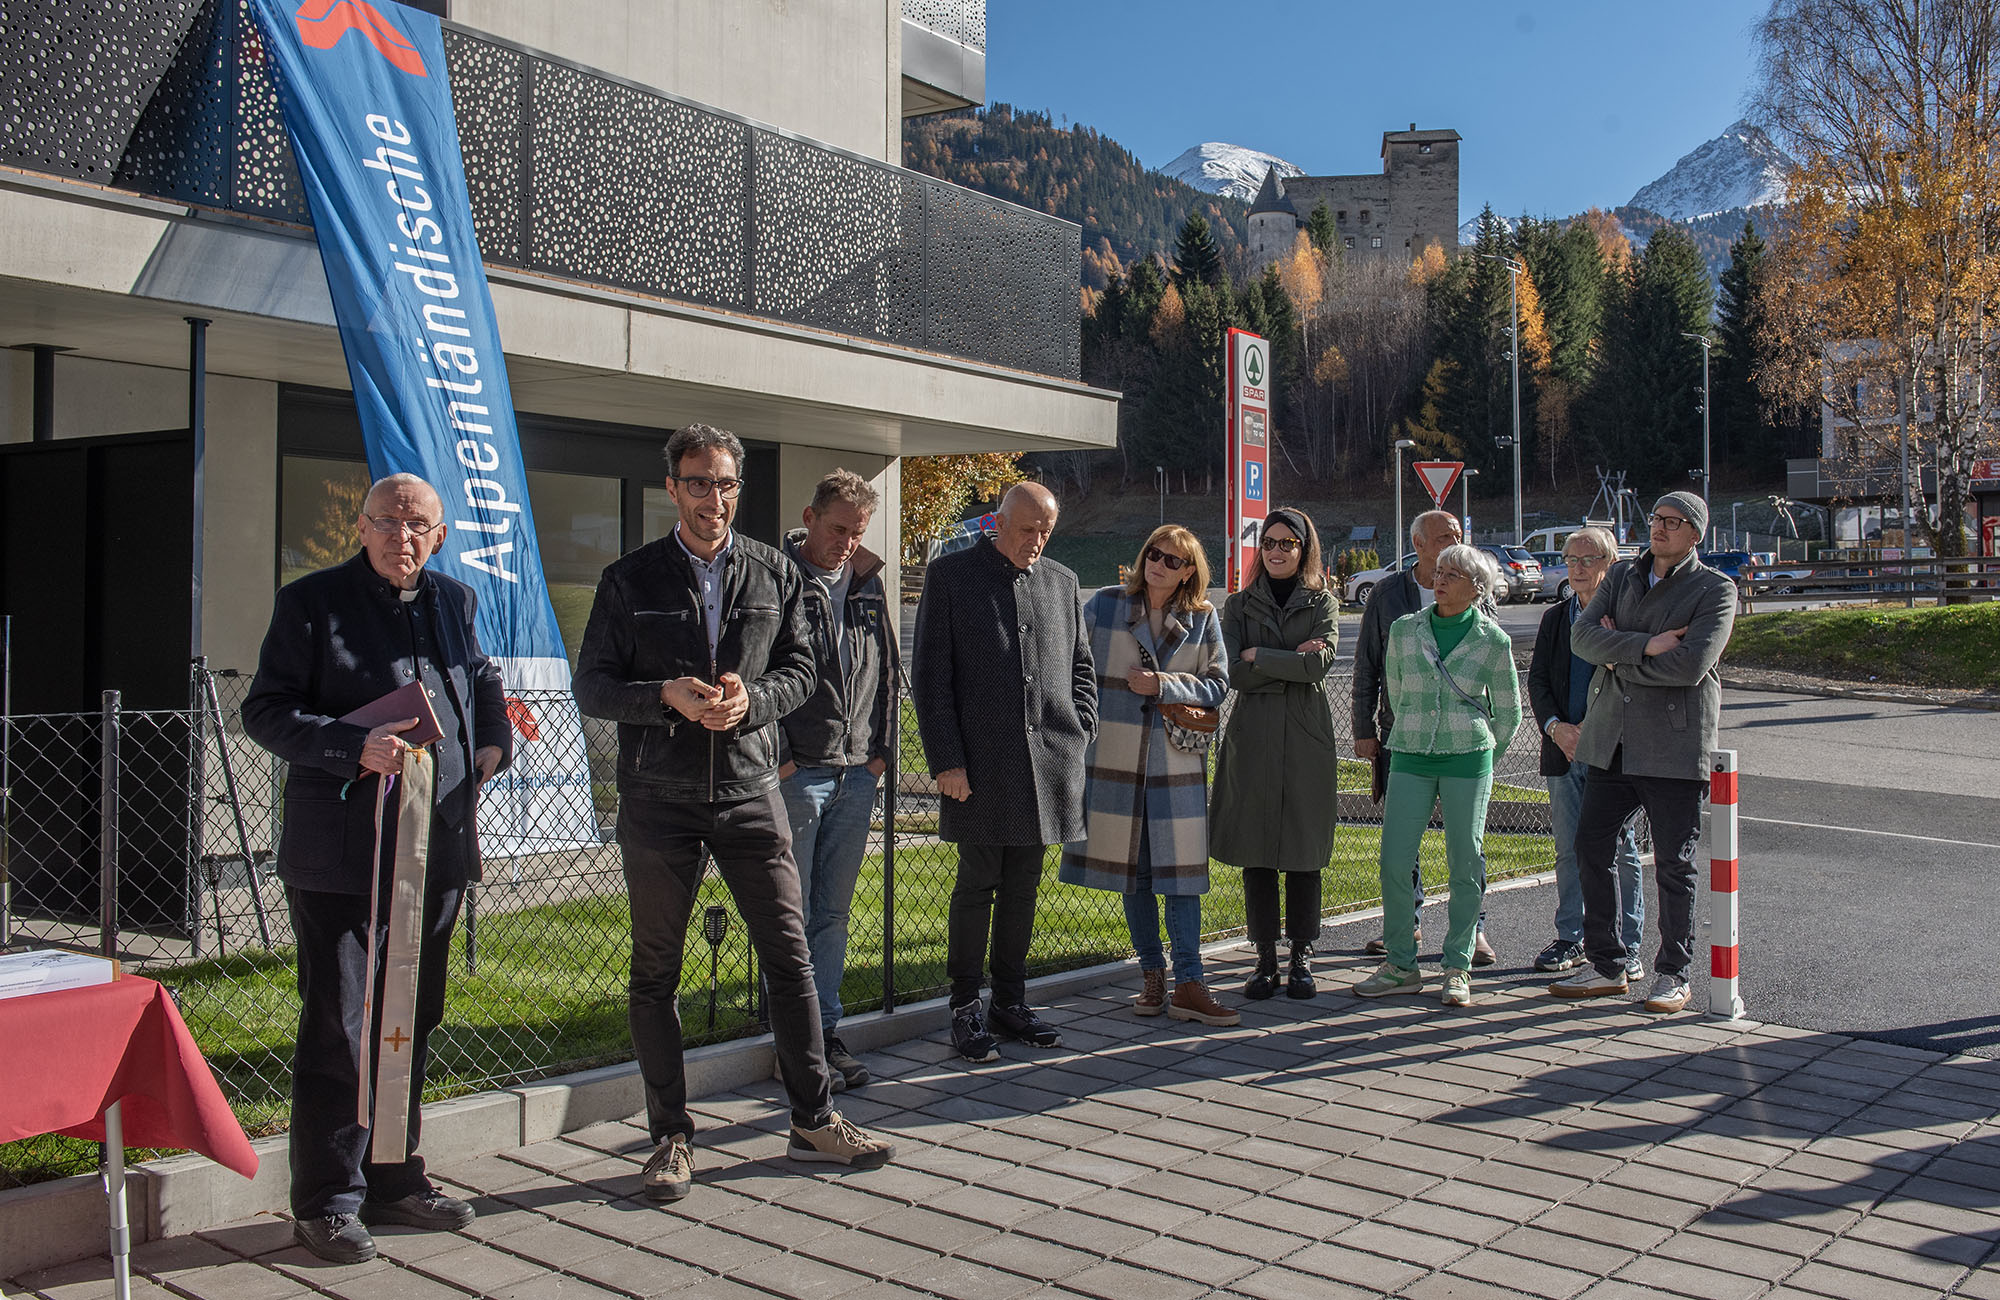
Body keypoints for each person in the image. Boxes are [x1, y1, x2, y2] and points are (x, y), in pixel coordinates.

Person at [574, 423, 893, 1204]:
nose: (711, 498)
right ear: (672, 488)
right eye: (697, 482)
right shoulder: (629, 579)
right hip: (659, 798)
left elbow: (802, 670)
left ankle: (813, 1120)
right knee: (656, 972)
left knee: (790, 956)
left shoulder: (775, 572)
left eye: (723, 483)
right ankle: (670, 1138)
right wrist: (664, 698)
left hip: (750, 790)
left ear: (737, 489)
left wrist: (755, 702)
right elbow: (593, 685)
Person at [242, 472, 510, 1264]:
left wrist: (494, 741)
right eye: (387, 522)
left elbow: (481, 678)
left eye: (418, 524)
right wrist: (349, 746)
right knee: (342, 1025)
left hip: (435, 845)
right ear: (359, 528)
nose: (403, 536)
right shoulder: (311, 603)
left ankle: (393, 1179)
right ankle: (327, 1200)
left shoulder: (455, 600)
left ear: (440, 536)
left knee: (411, 1017)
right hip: (342, 854)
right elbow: (266, 710)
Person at [911, 481, 1096, 1063]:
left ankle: (1010, 1002)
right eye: (1026, 530)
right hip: (979, 767)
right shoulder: (951, 576)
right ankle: (965, 1007)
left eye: (1046, 531)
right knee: (977, 887)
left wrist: (1081, 728)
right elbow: (931, 678)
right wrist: (947, 760)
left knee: (1023, 888)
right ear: (997, 523)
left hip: (1048, 766)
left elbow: (1082, 667)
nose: (1036, 541)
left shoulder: (1063, 582)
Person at [1550, 492, 1738, 1014]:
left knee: (1673, 864)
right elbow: (1582, 638)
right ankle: (1607, 964)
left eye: (1673, 522)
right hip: (1612, 739)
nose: (1659, 527)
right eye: (1656, 518)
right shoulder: (1621, 577)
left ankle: (1673, 973)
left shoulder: (1715, 589)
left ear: (1695, 534)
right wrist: (1646, 645)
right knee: (1591, 846)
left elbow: (1690, 666)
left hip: (1673, 744)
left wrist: (1618, 657)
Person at [1060, 525, 1235, 1026]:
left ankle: (1190, 983)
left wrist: (1164, 684)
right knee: (1131, 874)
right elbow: (1070, 664)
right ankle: (1152, 976)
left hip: (1175, 765)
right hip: (1114, 760)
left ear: (1189, 571)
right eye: (1154, 554)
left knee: (1181, 878)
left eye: (1172, 560)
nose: (1158, 564)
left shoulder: (1203, 617)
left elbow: (1219, 685)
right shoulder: (1106, 604)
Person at [1352, 545, 1522, 1005]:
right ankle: (1400, 965)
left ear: (1476, 588)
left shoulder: (1492, 640)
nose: (1440, 580)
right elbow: (1396, 691)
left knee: (1465, 863)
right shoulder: (1405, 630)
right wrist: (1415, 726)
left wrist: (1485, 754)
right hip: (1410, 753)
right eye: (1439, 572)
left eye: (1453, 575)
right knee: (1394, 861)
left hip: (1468, 758)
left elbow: (1509, 712)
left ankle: (1457, 966)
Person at [778, 469, 897, 1091]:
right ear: (809, 518)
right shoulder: (775, 581)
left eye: (856, 532)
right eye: (837, 528)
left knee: (832, 913)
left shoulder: (869, 585)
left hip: (857, 776)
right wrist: (781, 758)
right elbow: (754, 675)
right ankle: (793, 1043)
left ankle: (825, 1034)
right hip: (798, 775)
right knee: (789, 914)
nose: (846, 543)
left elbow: (889, 674)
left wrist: (881, 756)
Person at [1209, 508, 1340, 1000]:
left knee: (1304, 852)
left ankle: (1302, 956)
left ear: (1304, 550)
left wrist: (1260, 656)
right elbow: (1232, 673)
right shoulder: (1239, 606)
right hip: (1254, 737)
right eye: (1269, 542)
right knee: (1258, 852)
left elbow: (1318, 666)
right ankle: (1265, 958)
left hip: (1306, 738)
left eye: (1288, 543)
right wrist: (1289, 662)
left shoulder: (1323, 602)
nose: (1277, 551)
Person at [1527, 525, 1646, 977]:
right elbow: (1538, 682)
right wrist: (1556, 729)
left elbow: (1638, 679)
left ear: (1610, 564)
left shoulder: (1626, 617)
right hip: (1564, 750)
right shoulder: (1555, 618)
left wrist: (1612, 649)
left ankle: (1626, 945)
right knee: (1568, 848)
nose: (1577, 568)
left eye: (1587, 559)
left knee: (1619, 848)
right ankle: (1571, 937)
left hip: (1613, 753)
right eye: (1570, 559)